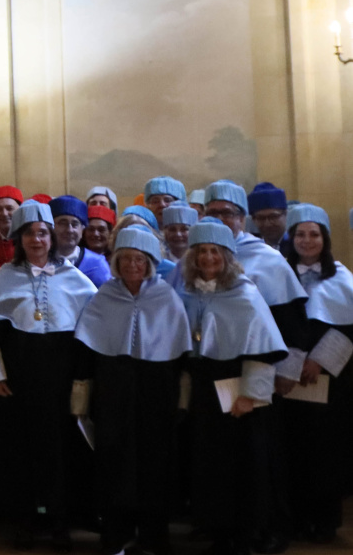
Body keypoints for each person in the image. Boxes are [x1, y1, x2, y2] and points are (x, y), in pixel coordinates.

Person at [0, 200, 97, 548]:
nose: (37, 240)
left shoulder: (75, 279)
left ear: (51, 237)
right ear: (19, 239)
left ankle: (60, 521)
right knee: (20, 453)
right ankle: (26, 521)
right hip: (20, 382)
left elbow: (87, 337)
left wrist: (82, 384)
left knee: (62, 452)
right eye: (29, 234)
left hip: (62, 382)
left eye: (42, 233)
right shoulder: (3, 278)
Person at [71, 228, 189, 555]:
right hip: (113, 395)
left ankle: (154, 534)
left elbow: (181, 357)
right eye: (126, 259)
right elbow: (87, 354)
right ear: (116, 262)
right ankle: (116, 534)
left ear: (150, 263)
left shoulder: (166, 296)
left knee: (156, 463)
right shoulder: (103, 296)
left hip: (157, 393)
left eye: (139, 260)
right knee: (113, 462)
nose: (133, 265)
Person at [178, 221, 287, 554]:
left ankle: (244, 534)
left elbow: (263, 347)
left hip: (239, 390)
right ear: (193, 258)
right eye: (201, 252)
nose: (208, 258)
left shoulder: (244, 291)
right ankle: (218, 531)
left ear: (227, 256)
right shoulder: (188, 290)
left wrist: (250, 396)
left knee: (244, 465)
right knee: (209, 464)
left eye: (214, 252)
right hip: (205, 389)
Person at [277, 203, 353, 542]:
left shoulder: (343, 278)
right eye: (301, 234)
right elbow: (275, 326)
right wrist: (293, 366)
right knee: (292, 447)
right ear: (291, 238)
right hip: (288, 379)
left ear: (325, 238)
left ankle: (325, 522)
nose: (307, 241)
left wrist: (318, 360)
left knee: (327, 449)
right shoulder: (279, 275)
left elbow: (350, 330)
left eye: (314, 234)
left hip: (329, 380)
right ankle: (295, 519)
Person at [49, 196, 111, 286]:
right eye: (63, 223)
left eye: (75, 224)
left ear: (82, 229)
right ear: (51, 227)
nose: (69, 230)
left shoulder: (97, 264)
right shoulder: (41, 261)